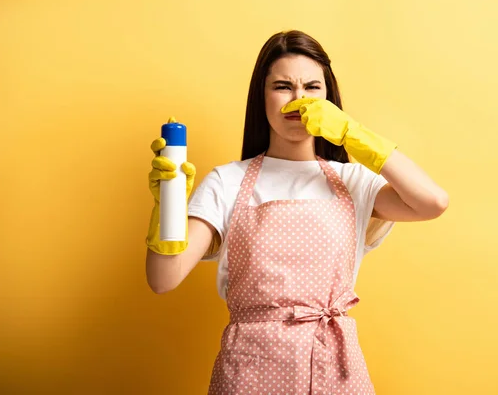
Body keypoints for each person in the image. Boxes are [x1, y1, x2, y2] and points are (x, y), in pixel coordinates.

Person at [145, 30, 448, 394]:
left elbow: (432, 202)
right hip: (250, 372)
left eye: (312, 88)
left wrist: (355, 135)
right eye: (283, 86)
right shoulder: (227, 182)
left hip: (336, 368)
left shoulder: (354, 182)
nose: (298, 100)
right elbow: (164, 279)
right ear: (263, 97)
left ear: (329, 99)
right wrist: (168, 206)